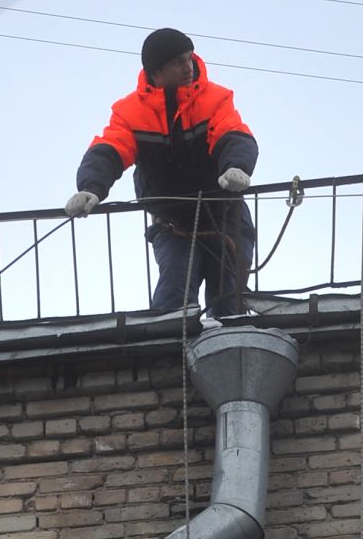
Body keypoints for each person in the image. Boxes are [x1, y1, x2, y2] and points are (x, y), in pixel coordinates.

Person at [64, 27, 258, 325]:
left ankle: (229, 354)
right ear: (156, 71)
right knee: (173, 299)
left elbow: (233, 133)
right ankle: (168, 360)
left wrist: (237, 166)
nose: (188, 67)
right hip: (173, 225)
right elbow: (111, 148)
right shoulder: (131, 112)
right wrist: (92, 187)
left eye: (189, 59)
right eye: (178, 62)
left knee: (228, 298)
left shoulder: (214, 98)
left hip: (226, 217)